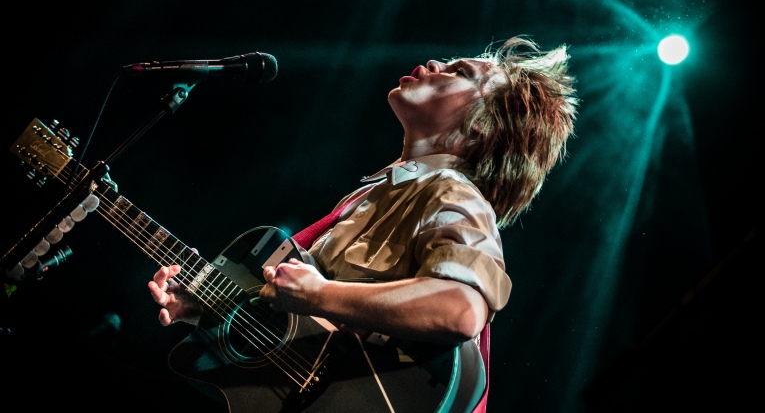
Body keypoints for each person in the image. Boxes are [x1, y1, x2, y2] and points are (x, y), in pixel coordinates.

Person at [148, 35, 578, 409]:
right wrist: (209, 309)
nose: (434, 64)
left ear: (483, 127)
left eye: (459, 71)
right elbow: (306, 331)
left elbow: (462, 309)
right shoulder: (370, 197)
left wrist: (320, 294)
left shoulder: (452, 192)